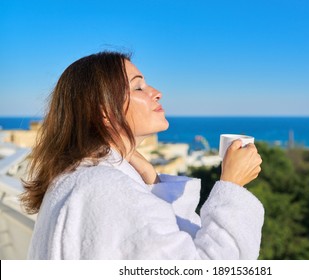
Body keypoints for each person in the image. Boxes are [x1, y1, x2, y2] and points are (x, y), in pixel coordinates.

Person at [21, 51, 264, 259]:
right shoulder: (106, 188)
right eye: (138, 87)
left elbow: (169, 246)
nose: (157, 92)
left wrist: (153, 182)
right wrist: (232, 186)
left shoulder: (81, 179)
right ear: (105, 112)